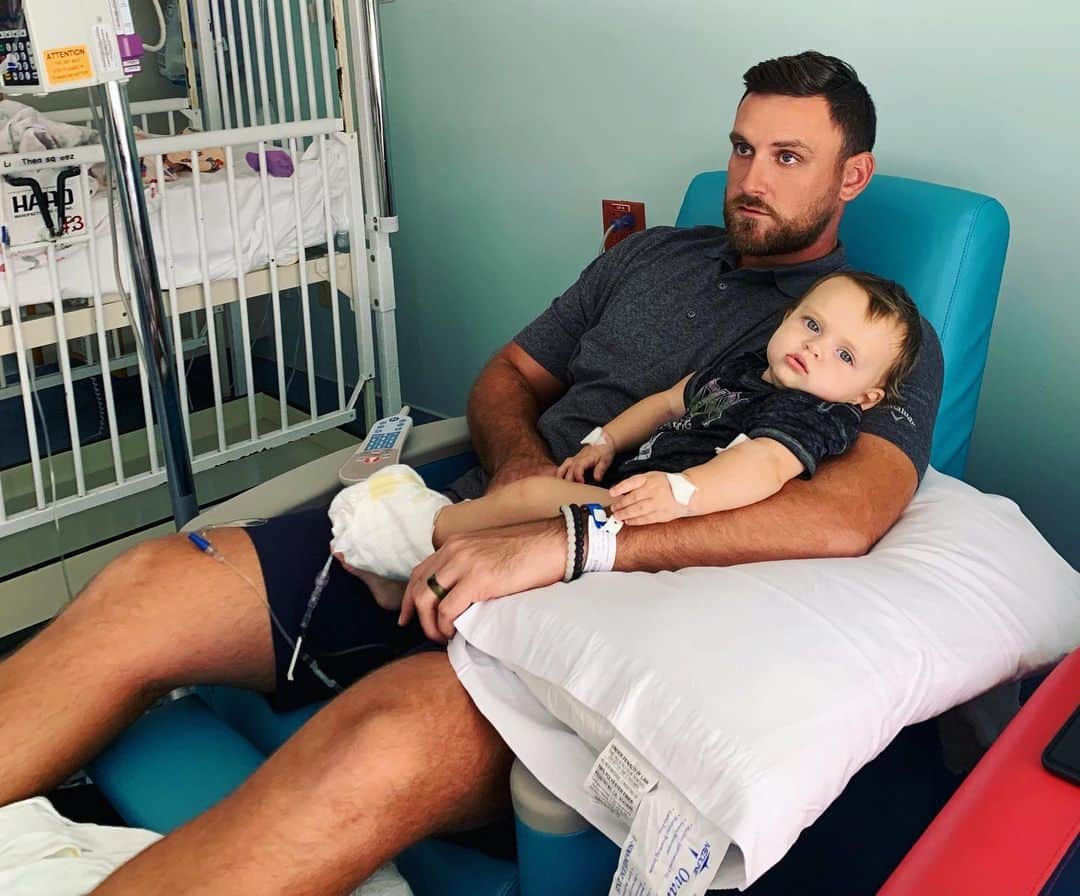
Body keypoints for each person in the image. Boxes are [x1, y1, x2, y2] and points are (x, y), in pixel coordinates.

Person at [0, 50, 943, 894]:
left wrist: (560, 539)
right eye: (741, 149)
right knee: (145, 587)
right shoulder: (652, 254)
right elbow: (509, 375)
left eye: (787, 158)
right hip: (461, 515)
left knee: (366, 752)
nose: (749, 180)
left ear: (851, 175)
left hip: (577, 607)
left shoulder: (870, 344)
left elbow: (842, 519)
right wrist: (517, 473)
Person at [330, 270, 923, 617]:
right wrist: (604, 439)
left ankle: (422, 531)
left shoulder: (813, 412)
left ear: (865, 397)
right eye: (812, 325)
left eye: (844, 355)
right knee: (532, 499)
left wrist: (683, 492)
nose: (816, 348)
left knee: (533, 502)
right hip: (625, 487)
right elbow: (670, 401)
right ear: (788, 316)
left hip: (649, 515)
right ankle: (412, 563)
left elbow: (762, 465)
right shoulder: (745, 368)